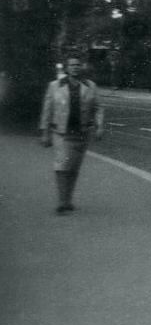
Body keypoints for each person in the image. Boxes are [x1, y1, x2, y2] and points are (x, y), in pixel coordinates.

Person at [39, 55, 105, 214]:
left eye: (77, 65)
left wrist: (100, 126)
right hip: (61, 132)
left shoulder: (90, 86)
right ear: (67, 68)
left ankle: (68, 200)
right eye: (72, 65)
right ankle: (62, 202)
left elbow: (98, 107)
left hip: (82, 133)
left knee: (74, 168)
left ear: (81, 67)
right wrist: (44, 132)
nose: (75, 67)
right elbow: (47, 110)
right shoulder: (55, 86)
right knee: (62, 166)